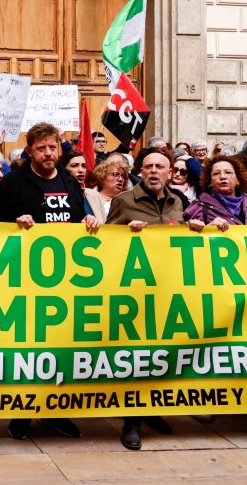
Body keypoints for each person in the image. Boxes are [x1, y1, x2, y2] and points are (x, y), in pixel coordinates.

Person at [0, 123, 98, 442]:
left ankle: (55, 411)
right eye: (41, 148)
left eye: (53, 147)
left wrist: (89, 221)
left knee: (62, 348)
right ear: (30, 151)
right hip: (26, 282)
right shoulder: (13, 183)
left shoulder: (69, 181)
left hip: (66, 283)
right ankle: (22, 413)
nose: (48, 153)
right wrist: (14, 224)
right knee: (29, 351)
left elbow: (80, 219)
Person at [106, 148, 182, 450]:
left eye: (159, 166)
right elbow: (106, 245)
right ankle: (131, 421)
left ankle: (151, 411)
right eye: (148, 166)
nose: (153, 171)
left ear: (169, 173)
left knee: (160, 355)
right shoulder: (123, 201)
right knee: (136, 358)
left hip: (169, 290)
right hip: (134, 292)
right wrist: (126, 233)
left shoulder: (179, 202)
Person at [184, 156, 247, 231]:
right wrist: (208, 228)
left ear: (238, 180)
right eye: (216, 173)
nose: (223, 176)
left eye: (228, 172)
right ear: (210, 182)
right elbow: (192, 240)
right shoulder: (199, 207)